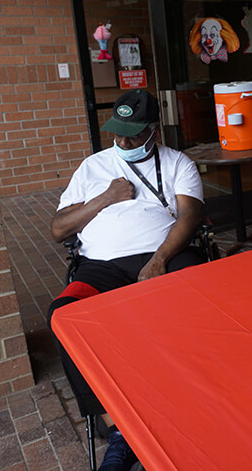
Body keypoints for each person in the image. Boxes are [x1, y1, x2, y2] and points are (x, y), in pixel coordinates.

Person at [48, 89, 205, 471]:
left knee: (199, 296)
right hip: (100, 265)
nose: (123, 142)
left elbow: (190, 217)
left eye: (133, 135)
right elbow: (58, 229)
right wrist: (104, 198)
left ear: (154, 131)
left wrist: (159, 260)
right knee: (63, 315)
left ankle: (196, 398)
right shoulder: (93, 167)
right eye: (118, 133)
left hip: (165, 256)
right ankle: (119, 428)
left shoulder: (178, 163)